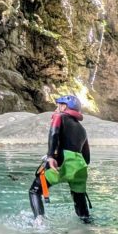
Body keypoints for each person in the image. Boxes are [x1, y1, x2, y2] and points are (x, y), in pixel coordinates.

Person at [29, 94, 92, 224]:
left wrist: (51, 156)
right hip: (80, 167)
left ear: (64, 107)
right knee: (79, 197)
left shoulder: (59, 116)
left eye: (58, 105)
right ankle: (87, 223)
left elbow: (54, 134)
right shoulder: (83, 130)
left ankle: (39, 222)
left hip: (62, 162)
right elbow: (87, 158)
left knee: (35, 190)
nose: (56, 108)